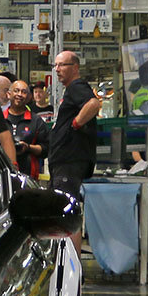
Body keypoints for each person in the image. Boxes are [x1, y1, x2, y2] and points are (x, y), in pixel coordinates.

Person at [47, 50, 103, 199]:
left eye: (62, 65)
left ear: (75, 67)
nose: (57, 69)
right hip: (65, 164)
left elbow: (93, 104)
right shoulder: (71, 89)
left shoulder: (76, 86)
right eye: (56, 65)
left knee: (62, 207)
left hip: (70, 164)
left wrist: (75, 124)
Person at [7, 79, 45, 179]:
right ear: (8, 94)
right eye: (16, 91)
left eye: (24, 92)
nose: (19, 94)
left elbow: (46, 149)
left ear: (28, 97)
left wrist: (28, 147)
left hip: (29, 177)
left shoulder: (36, 121)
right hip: (2, 175)